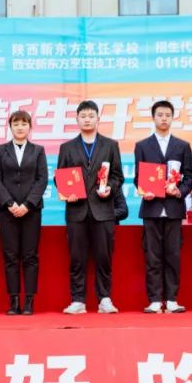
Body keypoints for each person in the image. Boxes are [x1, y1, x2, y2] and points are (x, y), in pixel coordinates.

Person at [57, 100, 124, 314]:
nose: (87, 119)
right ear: (77, 120)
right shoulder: (67, 148)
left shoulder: (110, 145)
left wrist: (109, 189)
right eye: (83, 116)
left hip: (103, 210)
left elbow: (117, 176)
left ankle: (104, 299)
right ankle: (78, 300)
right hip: (76, 211)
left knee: (104, 257)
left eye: (91, 116)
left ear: (98, 119)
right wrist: (67, 192)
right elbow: (60, 177)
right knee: (77, 258)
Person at [134, 100, 192, 314]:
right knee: (152, 256)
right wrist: (144, 189)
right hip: (151, 208)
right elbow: (138, 177)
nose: (164, 118)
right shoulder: (142, 146)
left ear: (172, 118)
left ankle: (171, 299)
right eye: (160, 115)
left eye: (167, 115)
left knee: (173, 255)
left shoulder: (182, 146)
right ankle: (154, 299)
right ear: (153, 117)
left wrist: (180, 191)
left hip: (173, 207)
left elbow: (190, 176)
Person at [0, 110, 48, 315]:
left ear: (30, 127)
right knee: (11, 256)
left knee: (30, 256)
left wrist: (27, 204)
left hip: (31, 211)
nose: (20, 127)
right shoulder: (0, 151)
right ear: (10, 127)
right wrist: (9, 203)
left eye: (24, 124)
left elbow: (42, 179)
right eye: (16, 124)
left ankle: (29, 301)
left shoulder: (38, 150)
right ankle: (14, 301)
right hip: (7, 212)